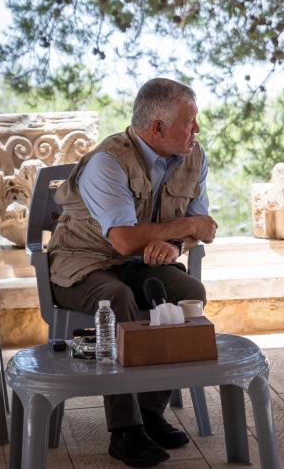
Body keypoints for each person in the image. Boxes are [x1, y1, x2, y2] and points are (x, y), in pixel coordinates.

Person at [47, 78, 218, 466]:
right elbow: (124, 240)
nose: (197, 129)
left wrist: (176, 246)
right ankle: (125, 430)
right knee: (117, 298)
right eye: (189, 122)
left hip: (139, 265)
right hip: (82, 264)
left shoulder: (194, 157)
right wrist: (186, 228)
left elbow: (202, 228)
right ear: (157, 127)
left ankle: (150, 412)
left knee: (188, 292)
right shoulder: (107, 162)